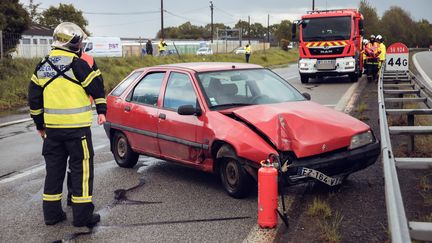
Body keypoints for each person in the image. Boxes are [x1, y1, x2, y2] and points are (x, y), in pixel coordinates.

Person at [28, 22, 106, 228]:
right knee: (81, 171)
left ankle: (52, 215)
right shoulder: (78, 64)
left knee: (53, 172)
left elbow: (34, 99)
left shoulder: (42, 65)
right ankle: (82, 217)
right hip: (77, 130)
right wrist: (102, 112)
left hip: (52, 131)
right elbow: (96, 88)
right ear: (73, 43)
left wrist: (39, 124)